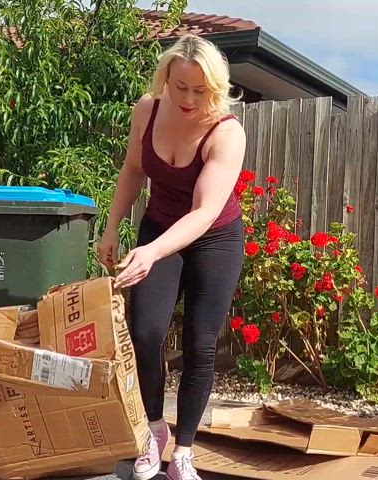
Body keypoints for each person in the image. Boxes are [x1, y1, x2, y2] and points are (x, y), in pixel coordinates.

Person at [97, 34, 246, 480]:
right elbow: (133, 168)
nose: (188, 98)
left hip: (213, 238)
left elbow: (204, 213)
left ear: (215, 87)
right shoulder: (148, 109)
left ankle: (183, 451)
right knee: (145, 331)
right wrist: (111, 227)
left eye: (200, 90)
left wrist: (150, 253)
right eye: (180, 86)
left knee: (200, 344)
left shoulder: (226, 132)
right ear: (167, 77)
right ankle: (153, 431)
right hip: (158, 227)